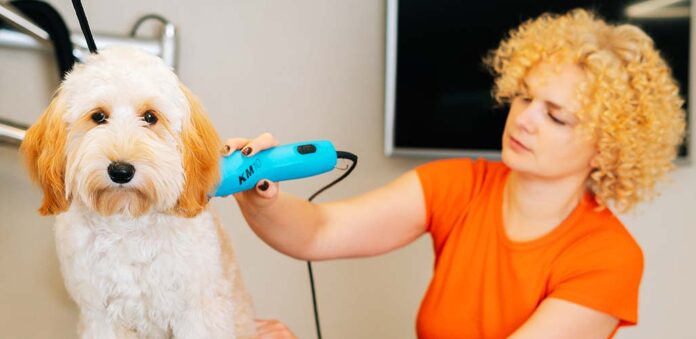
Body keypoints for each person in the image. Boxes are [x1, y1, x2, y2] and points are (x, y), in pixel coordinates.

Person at [239, 9, 686, 339]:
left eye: (557, 117)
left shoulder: (608, 256)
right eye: (526, 98)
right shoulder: (459, 185)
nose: (525, 119)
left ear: (606, 148)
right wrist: (260, 194)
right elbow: (319, 232)